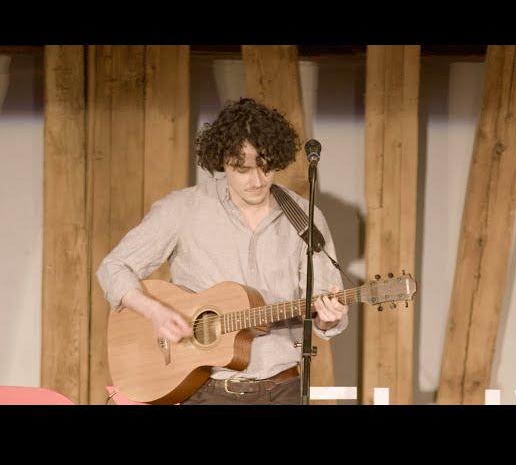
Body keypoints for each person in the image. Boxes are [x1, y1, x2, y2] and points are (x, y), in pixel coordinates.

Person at [97, 97, 348, 405]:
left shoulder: (305, 217)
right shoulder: (182, 209)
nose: (257, 180)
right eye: (243, 169)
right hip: (204, 389)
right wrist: (154, 311)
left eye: (266, 167)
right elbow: (113, 268)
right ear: (223, 161)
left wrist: (327, 318)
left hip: (283, 388)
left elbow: (324, 304)